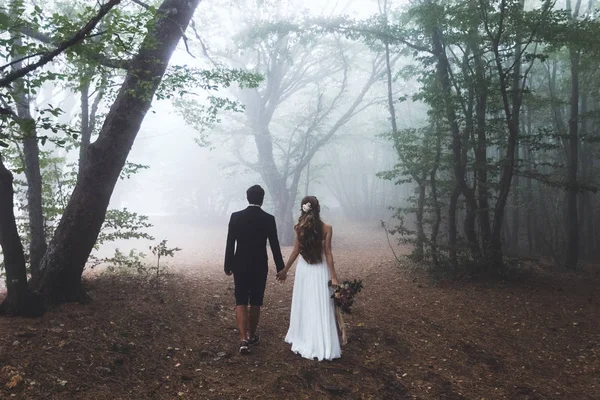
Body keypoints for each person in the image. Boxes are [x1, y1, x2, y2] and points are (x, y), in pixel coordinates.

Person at [276, 196, 341, 361]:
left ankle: (304, 336)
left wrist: (285, 270)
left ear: (303, 208)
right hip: (320, 270)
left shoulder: (299, 227)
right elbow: (328, 254)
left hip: (304, 270)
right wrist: (334, 277)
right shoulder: (327, 228)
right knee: (320, 303)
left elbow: (296, 251)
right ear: (318, 208)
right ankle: (322, 342)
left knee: (305, 302)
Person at [224, 185, 285, 354]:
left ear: (247, 197)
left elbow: (230, 243)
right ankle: (251, 335)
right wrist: (281, 267)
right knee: (256, 301)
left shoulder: (236, 217)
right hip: (259, 264)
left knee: (241, 300)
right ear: (262, 198)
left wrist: (228, 265)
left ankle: (243, 339)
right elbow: (274, 245)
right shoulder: (268, 219)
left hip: (240, 263)